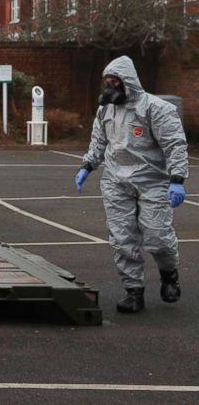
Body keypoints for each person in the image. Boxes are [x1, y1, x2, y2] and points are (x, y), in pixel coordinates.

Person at [76, 56, 189, 314]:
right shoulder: (106, 110)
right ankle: (133, 290)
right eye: (108, 81)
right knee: (122, 238)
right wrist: (87, 166)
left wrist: (177, 179)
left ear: (128, 81)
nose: (111, 86)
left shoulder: (156, 109)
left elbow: (174, 144)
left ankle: (169, 275)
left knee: (158, 236)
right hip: (116, 181)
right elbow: (98, 141)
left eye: (116, 81)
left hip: (153, 182)